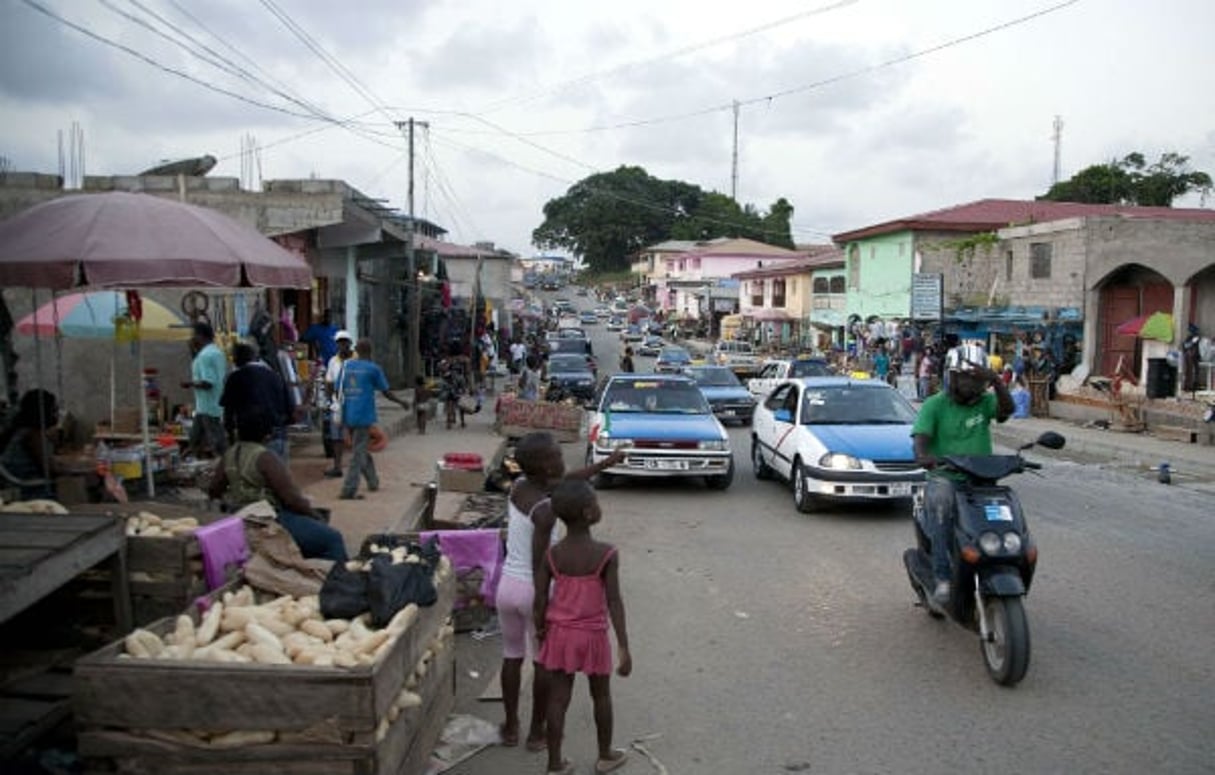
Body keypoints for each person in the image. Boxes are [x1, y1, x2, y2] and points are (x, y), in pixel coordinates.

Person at [494, 432, 625, 756]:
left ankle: (510, 725)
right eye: (556, 455)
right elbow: (542, 565)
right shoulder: (546, 511)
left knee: (511, 656)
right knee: (543, 665)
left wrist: (606, 463)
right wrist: (541, 611)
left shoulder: (522, 487)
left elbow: (567, 481)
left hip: (506, 587)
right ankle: (537, 732)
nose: (562, 457)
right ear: (543, 465)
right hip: (531, 591)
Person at [534, 478, 631, 775]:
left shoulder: (553, 555)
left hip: (560, 634)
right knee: (600, 695)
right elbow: (614, 601)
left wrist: (540, 631)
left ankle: (554, 764)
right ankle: (605, 755)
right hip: (592, 635)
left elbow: (539, 599)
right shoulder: (606, 553)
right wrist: (624, 646)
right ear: (589, 513)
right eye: (596, 503)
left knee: (559, 698)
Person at [911, 342, 1014, 606]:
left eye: (977, 379)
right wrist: (924, 456)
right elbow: (921, 438)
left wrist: (996, 381)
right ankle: (943, 577)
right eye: (964, 378)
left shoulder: (986, 403)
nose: (971, 384)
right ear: (951, 377)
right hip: (946, 478)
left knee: (1006, 513)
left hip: (981, 480)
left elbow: (1007, 410)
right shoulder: (935, 405)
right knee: (942, 506)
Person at [207, 405, 347, 562]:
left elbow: (214, 489)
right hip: (267, 519)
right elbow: (291, 499)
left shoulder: (230, 454)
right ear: (267, 434)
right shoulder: (265, 457)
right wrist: (314, 515)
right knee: (333, 540)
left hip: (239, 516)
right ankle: (344, 583)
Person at [336, 339, 408, 500]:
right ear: (371, 351)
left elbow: (336, 390)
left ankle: (373, 481)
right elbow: (386, 392)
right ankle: (349, 489)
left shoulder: (346, 367)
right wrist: (401, 402)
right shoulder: (374, 369)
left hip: (348, 413)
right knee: (358, 453)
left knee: (359, 448)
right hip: (363, 415)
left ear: (356, 350)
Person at [220, 343, 292, 461]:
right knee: (277, 476)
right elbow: (289, 411)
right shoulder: (275, 376)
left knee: (252, 476)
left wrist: (232, 441)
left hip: (249, 441)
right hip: (276, 435)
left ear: (237, 359)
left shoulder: (235, 378)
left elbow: (228, 413)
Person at [0, 389, 60, 498]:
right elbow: (51, 470)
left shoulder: (19, 430)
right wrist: (77, 470)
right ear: (43, 412)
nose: (56, 415)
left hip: (19, 487)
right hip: (31, 491)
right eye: (53, 410)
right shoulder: (32, 435)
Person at [181, 322, 228, 459]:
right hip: (208, 406)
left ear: (200, 336)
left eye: (194, 335)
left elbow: (208, 382)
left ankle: (227, 468)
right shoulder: (217, 352)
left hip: (208, 407)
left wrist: (189, 384)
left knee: (218, 444)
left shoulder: (205, 356)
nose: (192, 339)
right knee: (195, 441)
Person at [323, 331, 356, 478]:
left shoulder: (358, 359)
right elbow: (329, 382)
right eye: (340, 342)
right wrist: (331, 401)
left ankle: (357, 465)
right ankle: (337, 467)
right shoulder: (333, 361)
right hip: (338, 402)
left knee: (356, 434)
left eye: (345, 342)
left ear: (350, 343)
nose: (342, 345)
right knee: (336, 435)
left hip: (355, 400)